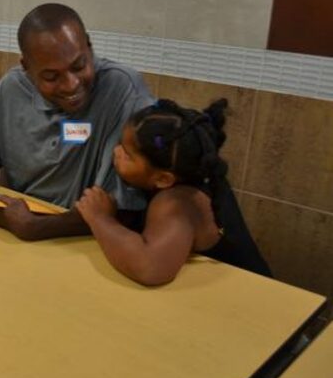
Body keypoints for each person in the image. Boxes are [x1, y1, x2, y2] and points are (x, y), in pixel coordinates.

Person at [0, 3, 154, 240]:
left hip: (87, 240)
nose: (71, 84)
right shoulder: (12, 88)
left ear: (89, 47)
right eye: (51, 76)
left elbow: (126, 209)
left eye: (79, 66)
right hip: (13, 232)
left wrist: (36, 228)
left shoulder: (123, 91)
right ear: (27, 68)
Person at [75, 99, 272, 285]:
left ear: (163, 179)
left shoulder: (176, 203)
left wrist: (101, 219)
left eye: (128, 155)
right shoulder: (195, 175)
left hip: (251, 299)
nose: (116, 152)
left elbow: (150, 269)